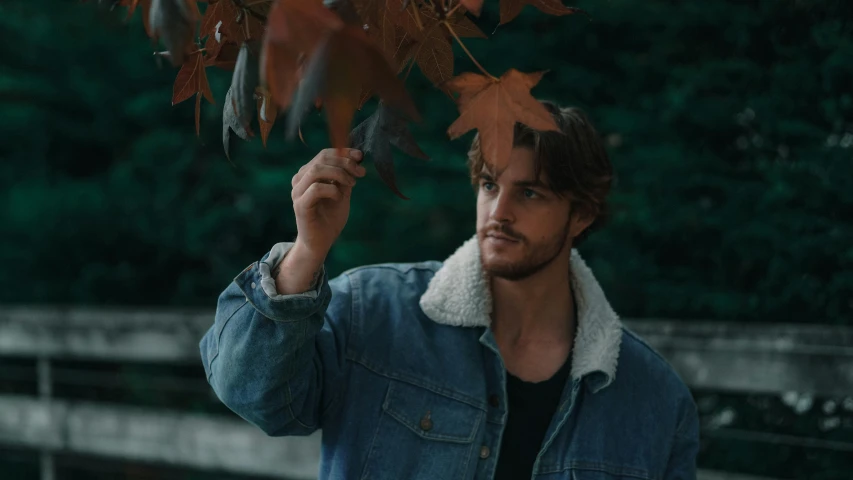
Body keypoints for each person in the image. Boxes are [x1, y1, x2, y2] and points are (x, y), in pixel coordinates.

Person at [200, 101, 700, 480]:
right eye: (488, 185)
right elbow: (254, 395)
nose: (499, 212)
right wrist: (308, 250)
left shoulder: (655, 400)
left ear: (582, 215)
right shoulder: (374, 313)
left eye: (529, 193)